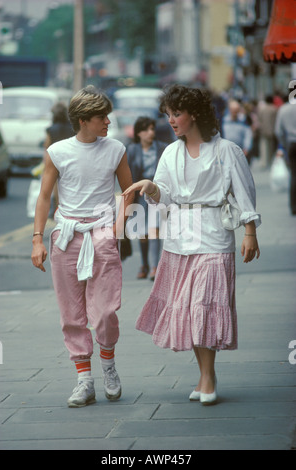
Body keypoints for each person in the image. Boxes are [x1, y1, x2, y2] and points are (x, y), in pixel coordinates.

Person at [123, 84, 261, 405]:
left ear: (194, 114)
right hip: (179, 240)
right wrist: (151, 187)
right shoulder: (170, 152)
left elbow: (244, 193)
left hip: (214, 236)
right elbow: (166, 197)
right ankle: (205, 375)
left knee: (205, 305)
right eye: (167, 115)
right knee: (192, 311)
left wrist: (250, 232)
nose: (170, 120)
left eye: (177, 113)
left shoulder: (227, 150)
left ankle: (207, 376)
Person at [31, 85, 134, 407]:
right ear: (84, 119)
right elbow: (45, 196)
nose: (108, 122)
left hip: (102, 233)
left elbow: (128, 191)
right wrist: (37, 239)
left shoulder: (116, 148)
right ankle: (84, 380)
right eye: (102, 117)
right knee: (71, 314)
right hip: (66, 235)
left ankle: (109, 366)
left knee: (104, 311)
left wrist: (117, 229)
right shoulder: (58, 151)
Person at [127, 116, 167, 280]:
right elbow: (128, 175)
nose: (150, 133)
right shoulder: (132, 150)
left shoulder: (162, 148)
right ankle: (144, 264)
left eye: (152, 129)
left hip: (156, 193)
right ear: (139, 133)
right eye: (146, 129)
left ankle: (154, 267)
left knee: (154, 230)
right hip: (140, 196)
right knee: (142, 233)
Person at [275, 100, 296, 214]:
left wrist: (283, 145)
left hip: (291, 144)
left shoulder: (284, 109)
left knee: (294, 174)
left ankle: (293, 206)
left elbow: (278, 131)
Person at [222, 99, 253, 164]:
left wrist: (246, 148)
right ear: (229, 110)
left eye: (236, 110)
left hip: (240, 152)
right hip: (226, 152)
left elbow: (248, 134)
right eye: (233, 110)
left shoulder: (243, 121)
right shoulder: (224, 121)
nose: (235, 112)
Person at [257, 95, 278, 169]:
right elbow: (276, 120)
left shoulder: (262, 109)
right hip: (272, 130)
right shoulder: (274, 109)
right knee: (271, 147)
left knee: (264, 147)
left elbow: (259, 119)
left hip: (263, 130)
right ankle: (270, 161)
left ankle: (264, 162)